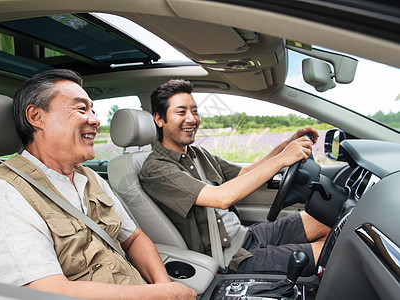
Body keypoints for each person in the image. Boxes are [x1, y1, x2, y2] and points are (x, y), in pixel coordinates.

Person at [0, 70, 196, 300]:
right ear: (36, 117)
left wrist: (163, 286)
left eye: (93, 110)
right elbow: (44, 294)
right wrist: (164, 294)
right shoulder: (0, 196)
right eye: (81, 109)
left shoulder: (89, 177)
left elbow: (133, 238)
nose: (96, 120)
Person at [140, 79, 330, 276]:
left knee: (323, 220)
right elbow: (220, 198)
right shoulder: (156, 169)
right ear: (159, 119)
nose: (191, 119)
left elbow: (245, 174)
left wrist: (285, 146)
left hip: (246, 235)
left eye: (195, 111)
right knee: (330, 252)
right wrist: (282, 159)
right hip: (230, 257)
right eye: (181, 112)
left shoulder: (198, 154)